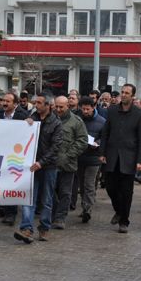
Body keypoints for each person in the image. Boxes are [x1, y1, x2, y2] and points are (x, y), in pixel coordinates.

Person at [14, 92, 62, 243]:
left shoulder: (56, 123)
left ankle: (44, 228)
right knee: (29, 198)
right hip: (31, 165)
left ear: (47, 105)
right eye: (35, 103)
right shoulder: (32, 119)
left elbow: (56, 147)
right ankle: (27, 228)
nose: (36, 106)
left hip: (48, 166)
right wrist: (26, 124)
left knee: (46, 199)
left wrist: (41, 162)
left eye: (39, 103)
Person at [99, 84, 141, 234]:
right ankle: (118, 210)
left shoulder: (140, 113)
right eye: (122, 92)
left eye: (127, 93)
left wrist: (140, 160)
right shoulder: (112, 111)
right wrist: (102, 152)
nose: (124, 95)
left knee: (126, 191)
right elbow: (105, 133)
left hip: (129, 157)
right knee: (110, 187)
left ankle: (124, 221)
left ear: (132, 96)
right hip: (112, 155)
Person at [0, 92, 30, 225]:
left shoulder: (23, 116)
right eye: (3, 101)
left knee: (11, 183)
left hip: (14, 155)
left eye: (8, 101)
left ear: (15, 104)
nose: (4, 103)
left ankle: (11, 213)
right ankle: (2, 206)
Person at [51, 96, 88, 230]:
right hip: (51, 163)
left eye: (61, 107)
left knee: (65, 192)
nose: (59, 109)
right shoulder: (51, 119)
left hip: (68, 164)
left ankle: (60, 218)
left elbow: (82, 141)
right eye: (57, 106)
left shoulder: (76, 122)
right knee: (50, 190)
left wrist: (68, 156)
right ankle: (53, 214)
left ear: (68, 106)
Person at [75, 96, 106, 223]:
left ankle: (88, 209)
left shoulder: (102, 121)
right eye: (83, 109)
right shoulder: (78, 119)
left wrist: (98, 142)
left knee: (89, 184)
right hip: (80, 156)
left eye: (88, 109)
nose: (85, 111)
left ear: (93, 108)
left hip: (94, 157)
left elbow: (105, 137)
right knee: (82, 185)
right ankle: (84, 206)